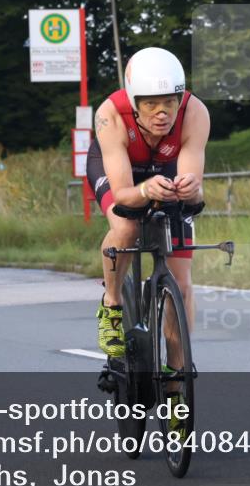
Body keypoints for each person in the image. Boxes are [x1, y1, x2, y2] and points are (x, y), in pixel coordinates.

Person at [85, 47, 210, 359]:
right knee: (126, 226)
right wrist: (145, 193)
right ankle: (112, 306)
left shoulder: (195, 113)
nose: (162, 113)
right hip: (120, 170)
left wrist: (190, 189)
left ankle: (176, 379)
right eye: (151, 104)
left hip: (165, 169)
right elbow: (125, 194)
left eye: (169, 102)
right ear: (134, 102)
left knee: (181, 286)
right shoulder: (109, 115)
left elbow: (195, 196)